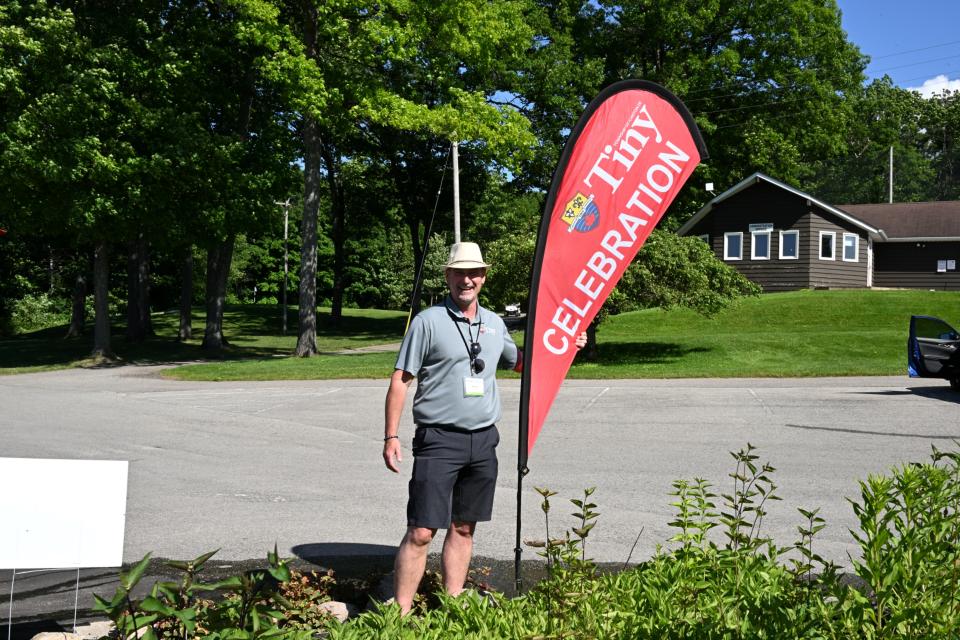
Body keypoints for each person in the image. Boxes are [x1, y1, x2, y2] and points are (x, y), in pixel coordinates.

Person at [382, 241, 585, 613]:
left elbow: (522, 364)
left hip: (483, 441)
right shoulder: (428, 322)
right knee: (423, 530)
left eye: (474, 272)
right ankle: (400, 613)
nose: (467, 279)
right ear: (447, 276)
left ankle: (453, 604)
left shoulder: (494, 324)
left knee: (463, 527)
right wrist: (391, 435)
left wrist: (567, 347)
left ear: (484, 278)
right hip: (439, 439)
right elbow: (400, 380)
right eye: (459, 272)